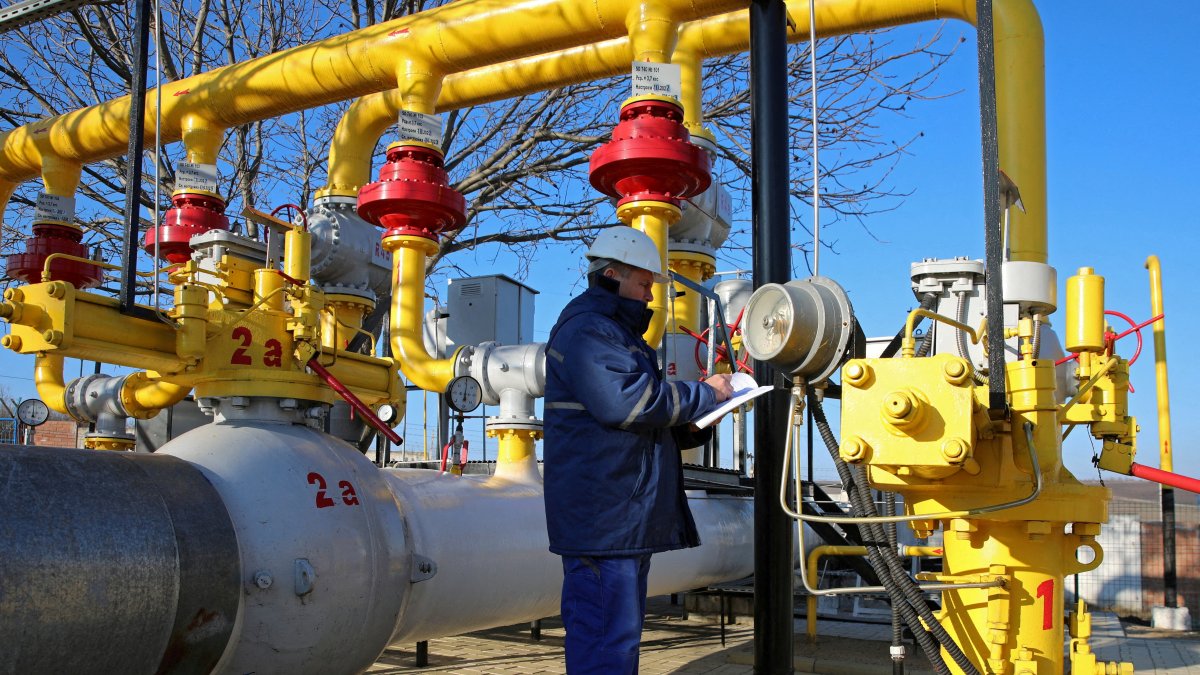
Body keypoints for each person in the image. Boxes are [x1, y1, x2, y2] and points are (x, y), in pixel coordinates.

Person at [542, 227, 735, 674]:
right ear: (612, 275)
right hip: (605, 518)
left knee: (615, 636)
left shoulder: (615, 332)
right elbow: (628, 403)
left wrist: (695, 424)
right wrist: (704, 394)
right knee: (607, 637)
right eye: (644, 282)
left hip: (617, 516)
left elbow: (643, 419)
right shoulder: (590, 330)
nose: (651, 294)